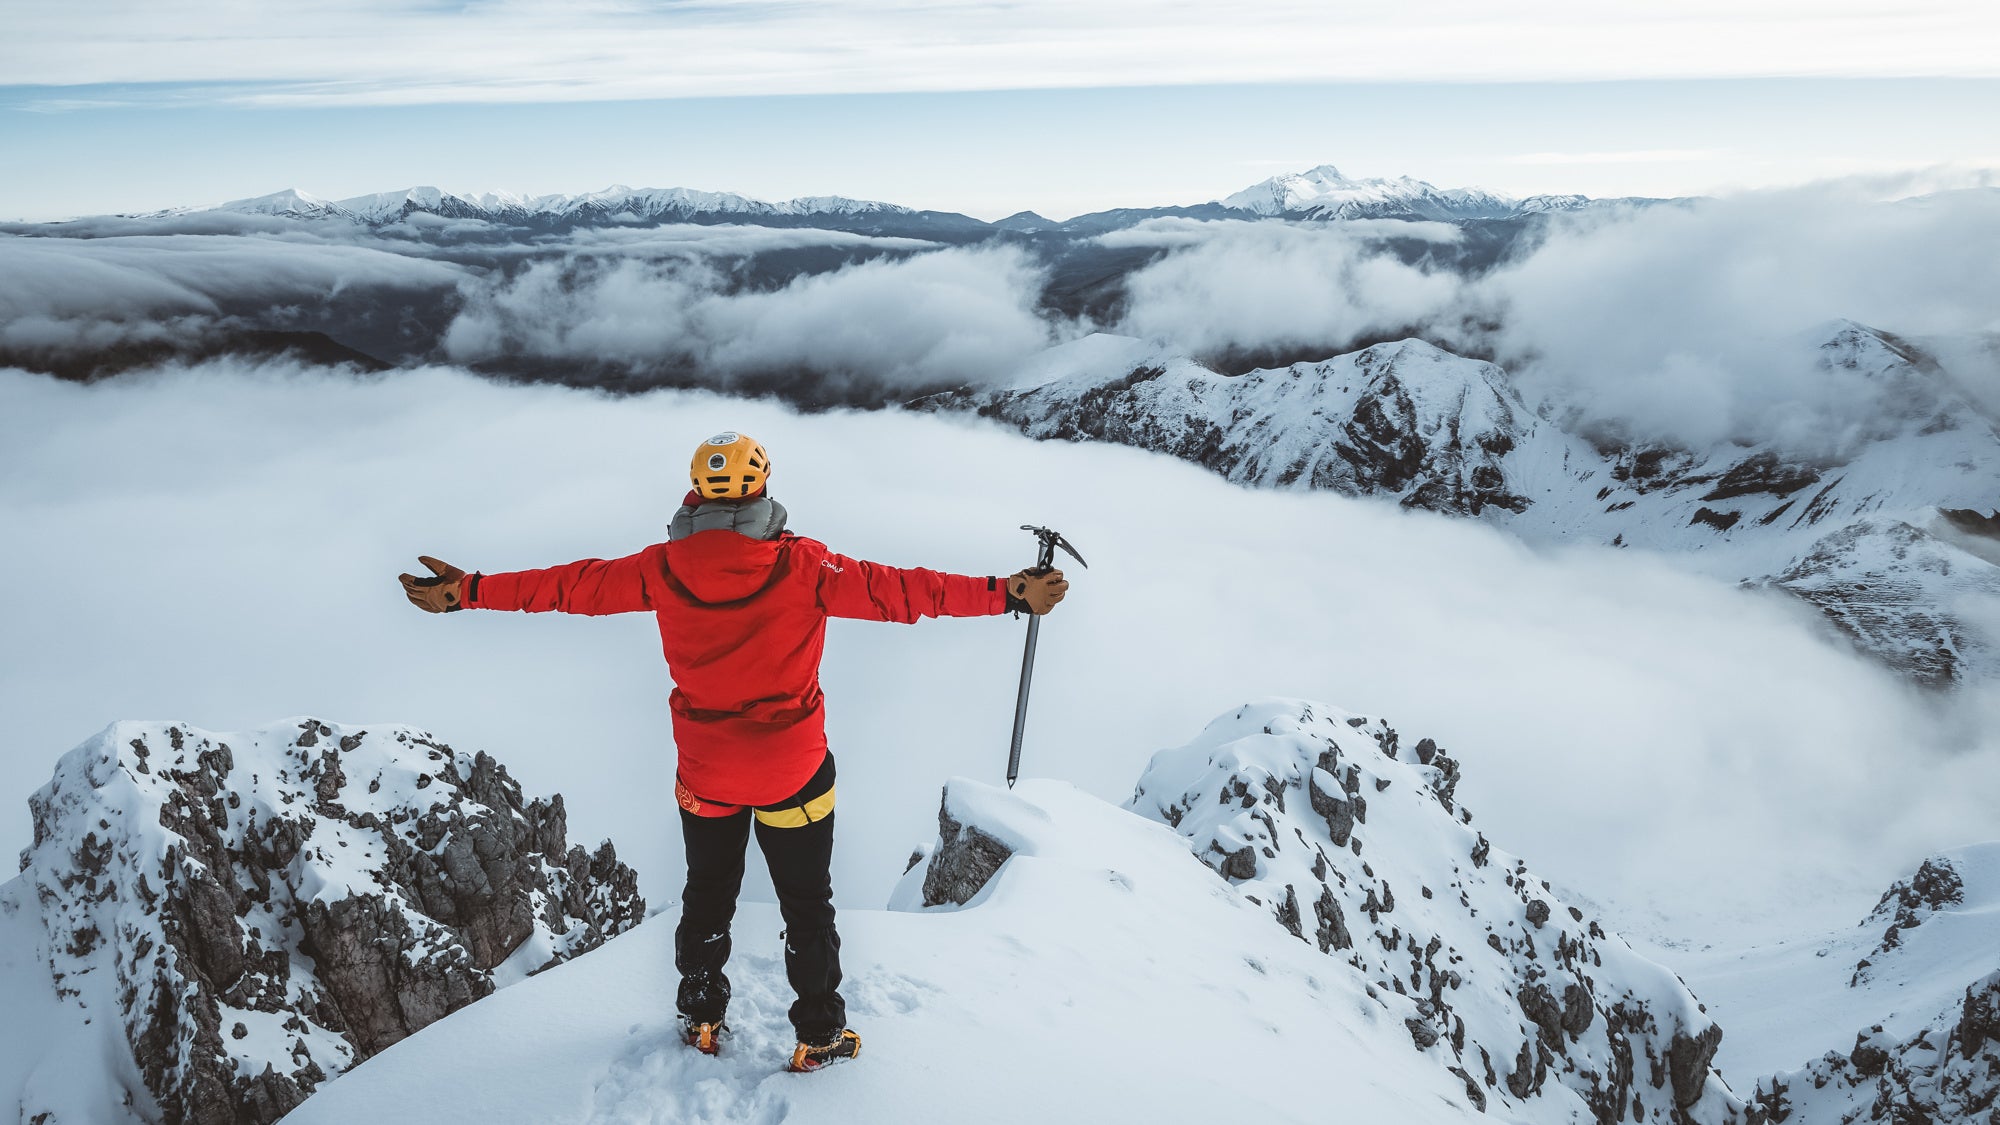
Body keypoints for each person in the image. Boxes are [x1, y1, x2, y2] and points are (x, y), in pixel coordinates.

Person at [398, 430, 1070, 1072]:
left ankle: (701, 1016)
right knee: (807, 902)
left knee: (708, 891)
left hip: (707, 773)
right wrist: (1006, 593)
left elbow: (569, 586)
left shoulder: (660, 569)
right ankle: (819, 1033)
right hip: (795, 771)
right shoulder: (807, 565)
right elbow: (902, 591)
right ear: (761, 488)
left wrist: (469, 590)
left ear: (697, 493)